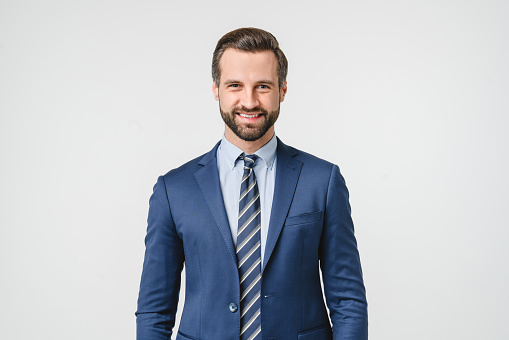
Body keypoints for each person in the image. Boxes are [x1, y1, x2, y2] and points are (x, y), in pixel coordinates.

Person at [136, 27, 368, 340]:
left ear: (282, 90)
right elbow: (154, 312)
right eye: (235, 86)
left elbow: (347, 301)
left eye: (263, 86)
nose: (249, 101)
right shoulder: (173, 191)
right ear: (216, 89)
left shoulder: (322, 182)